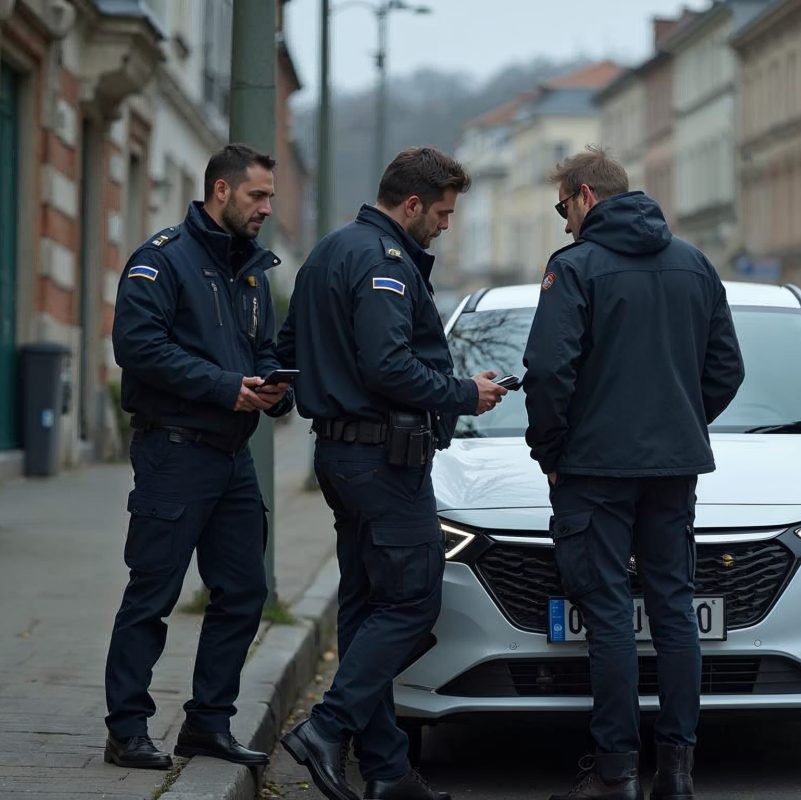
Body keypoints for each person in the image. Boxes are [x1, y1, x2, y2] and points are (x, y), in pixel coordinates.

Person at [275, 147, 507, 800]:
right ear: (410, 205)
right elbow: (386, 365)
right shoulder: (383, 262)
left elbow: (289, 350)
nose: (444, 225)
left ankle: (385, 770)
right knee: (411, 600)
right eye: (440, 212)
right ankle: (329, 727)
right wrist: (466, 392)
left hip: (343, 455)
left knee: (365, 607)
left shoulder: (327, 251)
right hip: (382, 459)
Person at [523, 147, 745, 800]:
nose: (563, 222)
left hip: (593, 471)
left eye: (564, 207)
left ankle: (616, 770)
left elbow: (547, 372)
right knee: (674, 609)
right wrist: (681, 422)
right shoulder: (694, 264)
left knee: (610, 614)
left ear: (586, 196)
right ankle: (676, 772)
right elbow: (725, 368)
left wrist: (553, 453)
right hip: (674, 471)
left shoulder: (576, 267)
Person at [104, 143, 294, 770]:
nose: (267, 207)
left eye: (269, 196)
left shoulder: (251, 271)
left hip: (233, 459)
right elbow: (137, 345)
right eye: (257, 196)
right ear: (221, 191)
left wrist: (271, 383)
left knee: (244, 590)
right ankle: (126, 729)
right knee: (152, 593)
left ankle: (208, 724)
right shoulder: (161, 262)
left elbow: (262, 347)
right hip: (174, 452)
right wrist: (222, 385)